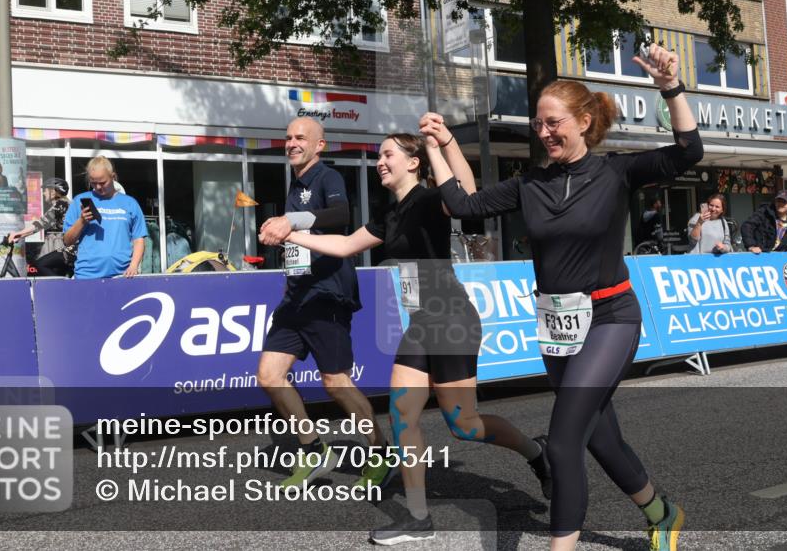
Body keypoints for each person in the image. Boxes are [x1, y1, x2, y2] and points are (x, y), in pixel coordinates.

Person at [423, 44, 700, 551]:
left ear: (584, 120)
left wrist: (669, 87)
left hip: (611, 317)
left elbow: (688, 152)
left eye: (554, 123)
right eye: (538, 125)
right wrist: (441, 146)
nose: (545, 133)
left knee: (566, 438)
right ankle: (662, 513)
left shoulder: (616, 173)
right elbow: (463, 205)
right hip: (556, 328)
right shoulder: (530, 184)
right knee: (600, 437)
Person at [274, 132, 552, 544]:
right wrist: (290, 234)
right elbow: (347, 243)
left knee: (465, 425)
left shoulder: (429, 201)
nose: (379, 162)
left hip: (453, 319)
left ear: (413, 162)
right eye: (379, 156)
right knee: (403, 414)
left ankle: (537, 453)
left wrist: (446, 142)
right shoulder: (392, 213)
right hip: (421, 323)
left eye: (387, 155)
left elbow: (467, 191)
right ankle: (419, 519)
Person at [255, 117, 390, 492]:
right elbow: (300, 238)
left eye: (301, 137)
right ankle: (313, 449)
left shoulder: (327, 177)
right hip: (296, 297)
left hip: (328, 293)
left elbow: (341, 217)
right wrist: (279, 235)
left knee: (335, 382)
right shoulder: (295, 184)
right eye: (287, 137)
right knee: (268, 375)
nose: (292, 143)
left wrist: (289, 222)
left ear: (320, 145)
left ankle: (380, 453)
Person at [63, 156, 146, 279]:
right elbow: (67, 241)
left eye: (102, 182)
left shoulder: (130, 203)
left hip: (122, 275)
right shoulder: (79, 201)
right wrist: (82, 221)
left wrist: (134, 265)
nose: (98, 187)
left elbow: (139, 239)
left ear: (113, 177)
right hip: (86, 275)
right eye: (93, 183)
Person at [10, 177, 76, 276]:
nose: (43, 193)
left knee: (40, 265)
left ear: (53, 192)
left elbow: (40, 223)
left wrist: (17, 233)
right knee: (55, 272)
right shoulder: (65, 204)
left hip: (64, 248)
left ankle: (60, 287)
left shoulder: (61, 204)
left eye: (45, 190)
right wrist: (20, 236)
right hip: (63, 247)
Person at [741, 189, 787, 254]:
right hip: (760, 254)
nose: (780, 203)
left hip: (779, 257)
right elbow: (747, 226)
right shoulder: (764, 212)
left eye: (784, 201)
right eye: (778, 201)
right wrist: (751, 246)